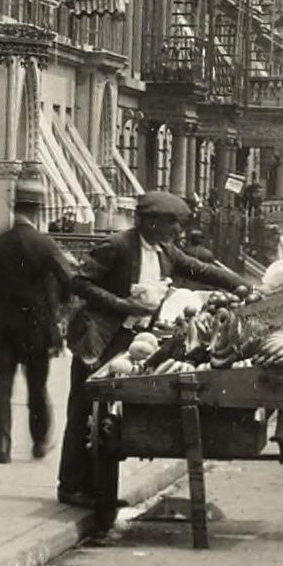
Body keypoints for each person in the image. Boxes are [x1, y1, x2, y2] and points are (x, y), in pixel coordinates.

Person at [59, 185, 246, 544]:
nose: (178, 231)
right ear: (150, 222)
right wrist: (122, 305)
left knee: (109, 415)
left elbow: (200, 268)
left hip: (131, 340)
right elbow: (79, 282)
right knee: (83, 408)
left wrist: (243, 286)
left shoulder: (164, 250)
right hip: (99, 335)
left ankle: (96, 489)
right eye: (172, 224)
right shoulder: (116, 246)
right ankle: (70, 486)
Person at [0, 182, 72, 466]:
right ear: (38, 210)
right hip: (36, 329)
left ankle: (2, 446)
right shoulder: (43, 244)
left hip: (1, 329)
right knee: (36, 386)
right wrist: (59, 312)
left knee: (2, 386)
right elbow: (67, 280)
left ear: (14, 206)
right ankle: (39, 441)